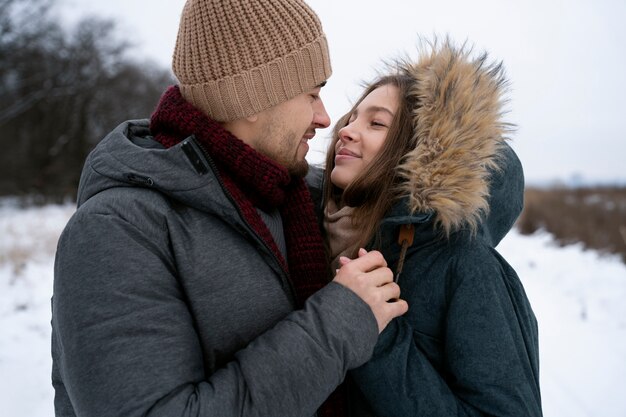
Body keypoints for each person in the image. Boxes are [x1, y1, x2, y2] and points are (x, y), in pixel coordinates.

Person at [50, 1, 408, 416]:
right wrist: (340, 324)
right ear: (252, 98)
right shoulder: (117, 231)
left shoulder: (303, 194)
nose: (326, 118)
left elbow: (444, 193)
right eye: (311, 94)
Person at [313, 40, 542, 416]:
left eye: (376, 123)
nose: (346, 131)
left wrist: (378, 333)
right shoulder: (321, 232)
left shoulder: (466, 264)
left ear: (416, 150)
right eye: (351, 117)